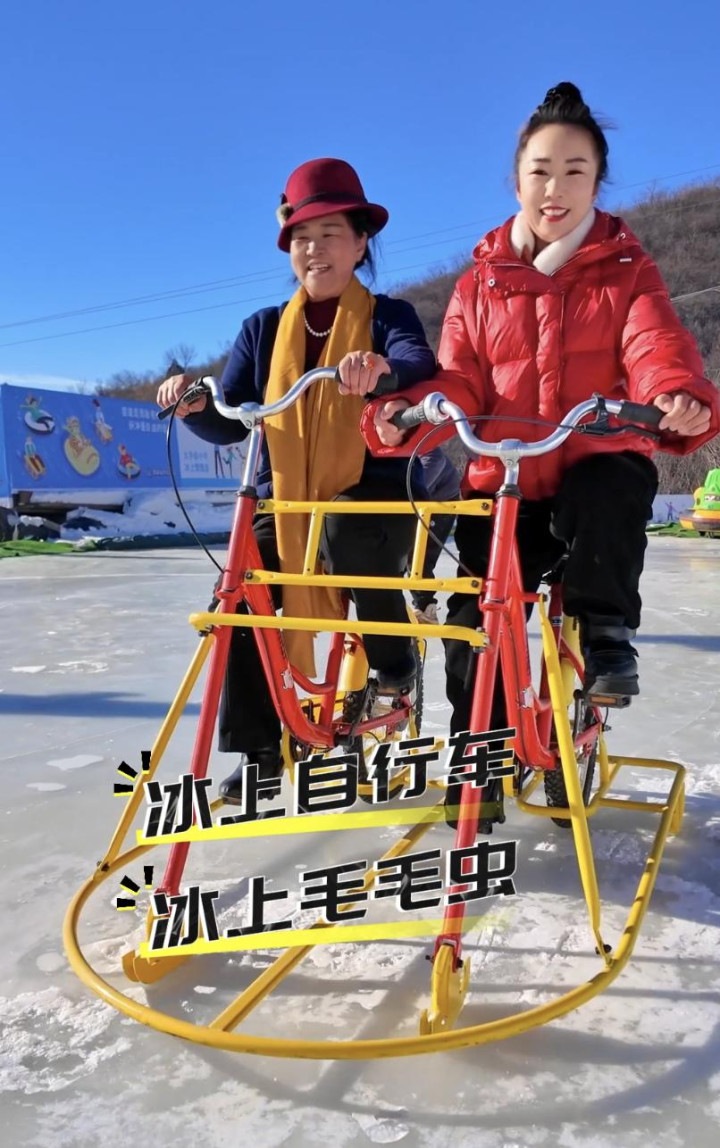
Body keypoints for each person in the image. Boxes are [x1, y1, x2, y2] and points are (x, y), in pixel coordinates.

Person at [365, 83, 720, 749]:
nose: (555, 190)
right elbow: (460, 378)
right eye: (541, 172)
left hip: (595, 459)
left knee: (609, 488)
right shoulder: (479, 284)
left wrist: (674, 393)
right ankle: (484, 750)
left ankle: (607, 637)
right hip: (507, 482)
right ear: (517, 180)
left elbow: (655, 343)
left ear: (597, 183)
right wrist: (412, 413)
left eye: (575, 172)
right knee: (476, 617)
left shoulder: (627, 271)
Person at [157, 158, 436, 803]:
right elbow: (233, 416)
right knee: (242, 586)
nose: (315, 249)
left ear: (360, 243)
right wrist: (197, 405)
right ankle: (259, 750)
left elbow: (416, 361)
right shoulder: (262, 329)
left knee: (347, 532)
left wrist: (381, 370)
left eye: (331, 234)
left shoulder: (388, 315)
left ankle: (394, 666)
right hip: (284, 499)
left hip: (371, 488)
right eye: (302, 237)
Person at [409, 448, 460, 624]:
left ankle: (426, 609)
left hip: (441, 504)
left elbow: (416, 490)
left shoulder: (430, 454)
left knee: (419, 556)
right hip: (421, 504)